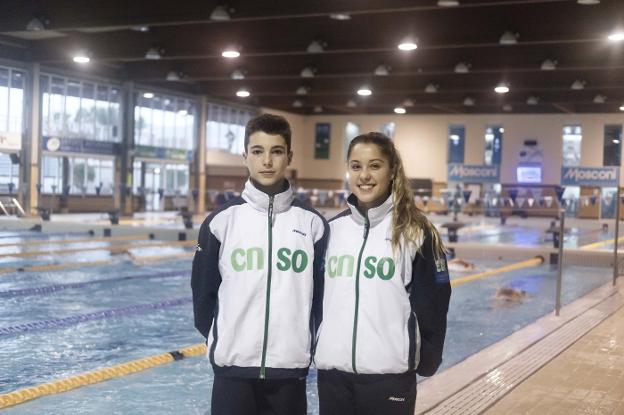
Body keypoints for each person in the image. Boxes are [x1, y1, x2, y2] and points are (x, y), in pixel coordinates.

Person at [191, 113, 328, 415]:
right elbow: (203, 296)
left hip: (289, 370)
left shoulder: (313, 224)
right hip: (233, 372)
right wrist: (227, 339)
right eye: (258, 151)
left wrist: (302, 343)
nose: (267, 160)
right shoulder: (220, 223)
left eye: (276, 151)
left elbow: (321, 300)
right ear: (245, 157)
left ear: (289, 156)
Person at [314, 132, 451, 415]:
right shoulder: (332, 231)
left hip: (388, 378)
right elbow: (315, 300)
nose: (364, 175)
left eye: (375, 166)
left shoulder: (416, 231)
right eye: (356, 166)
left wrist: (426, 360)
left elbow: (435, 302)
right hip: (333, 376)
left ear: (392, 171)